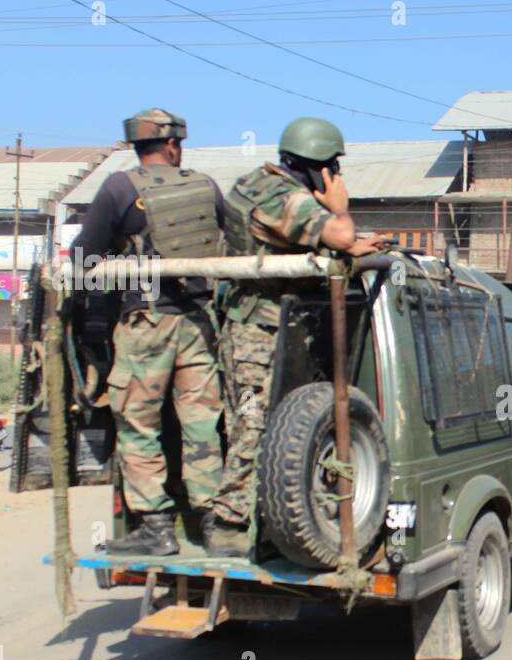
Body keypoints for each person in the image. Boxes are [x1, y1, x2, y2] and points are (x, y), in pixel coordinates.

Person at [206, 117, 385, 557]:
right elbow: (337, 231)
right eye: (333, 169)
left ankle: (259, 523)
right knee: (253, 427)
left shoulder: (257, 183)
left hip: (269, 326)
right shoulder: (285, 197)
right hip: (258, 332)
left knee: (269, 426)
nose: (336, 177)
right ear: (318, 168)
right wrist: (339, 211)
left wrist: (345, 244)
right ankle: (229, 526)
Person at [70, 108, 226, 557]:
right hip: (199, 323)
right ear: (174, 145)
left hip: (146, 321)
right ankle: (214, 526)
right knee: (202, 426)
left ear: (136, 148)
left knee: (138, 423)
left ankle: (157, 527)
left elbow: (84, 259)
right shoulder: (205, 185)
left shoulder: (120, 187)